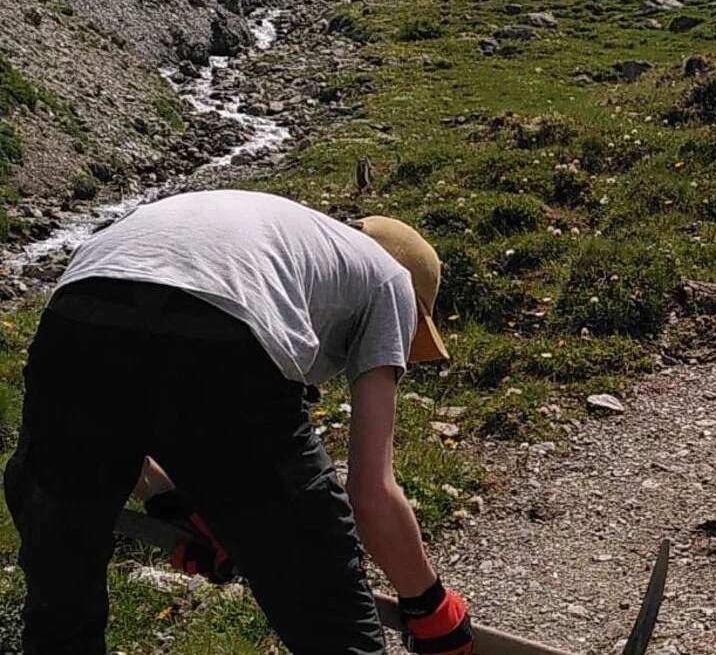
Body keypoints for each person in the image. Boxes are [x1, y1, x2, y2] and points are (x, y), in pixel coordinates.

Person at [2, 189, 474, 655]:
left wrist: (179, 506)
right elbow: (371, 493)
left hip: (73, 319)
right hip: (221, 343)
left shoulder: (272, 236)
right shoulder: (392, 280)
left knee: (62, 596)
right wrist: (429, 606)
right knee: (327, 600)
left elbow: (127, 393)